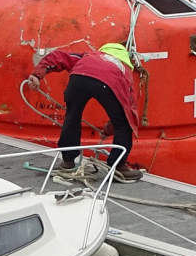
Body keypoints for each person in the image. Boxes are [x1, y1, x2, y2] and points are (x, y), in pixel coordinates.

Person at [27, 42, 144, 182]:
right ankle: (118, 166)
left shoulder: (89, 56)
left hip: (78, 77)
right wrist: (108, 130)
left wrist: (37, 74)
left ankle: (68, 162)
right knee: (123, 125)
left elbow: (59, 56)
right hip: (108, 82)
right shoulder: (124, 70)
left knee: (72, 117)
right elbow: (128, 111)